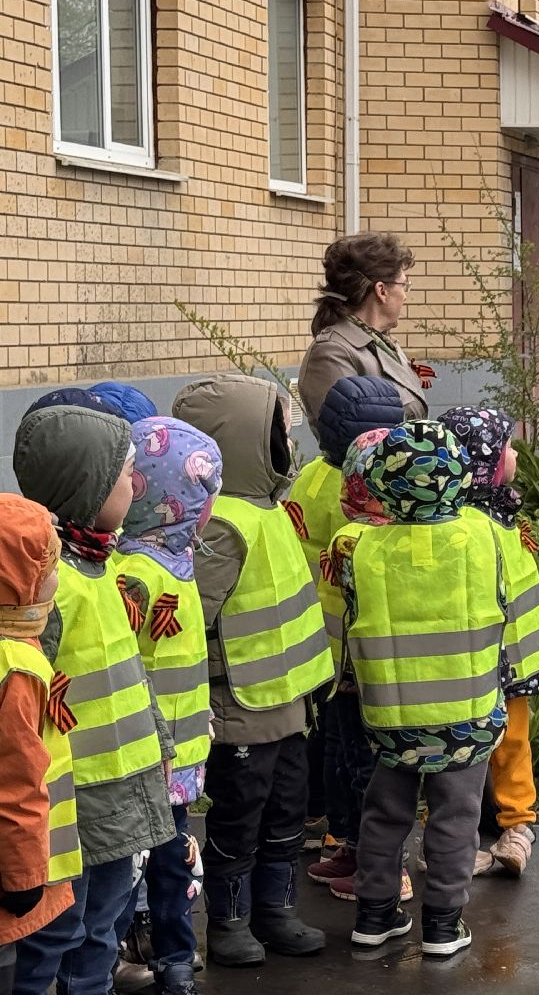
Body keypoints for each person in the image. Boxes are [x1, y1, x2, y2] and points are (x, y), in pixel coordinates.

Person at [335, 421, 530, 957]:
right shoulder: (484, 534)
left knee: (383, 813)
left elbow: (347, 623)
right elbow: (516, 606)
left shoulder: (363, 547)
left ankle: (375, 915)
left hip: (391, 717)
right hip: (466, 718)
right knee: (455, 818)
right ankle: (443, 924)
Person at [11, 406, 174, 995]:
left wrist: (159, 743)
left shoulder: (106, 566)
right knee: (58, 928)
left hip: (120, 788)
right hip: (71, 800)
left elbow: (131, 672)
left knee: (102, 922)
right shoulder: (52, 588)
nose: (138, 485)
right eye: (126, 472)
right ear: (87, 484)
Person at [171, 376, 332, 965]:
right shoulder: (221, 524)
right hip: (240, 710)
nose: (288, 443)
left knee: (286, 812)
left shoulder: (266, 510)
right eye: (278, 432)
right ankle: (232, 921)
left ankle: (276, 910)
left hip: (286, 704)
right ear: (247, 442)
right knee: (240, 818)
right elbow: (194, 619)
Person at [112, 418, 223, 995]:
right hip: (147, 755)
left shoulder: (164, 565)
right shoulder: (136, 576)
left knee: (161, 859)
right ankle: (154, 955)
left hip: (167, 753)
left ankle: (168, 957)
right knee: (147, 860)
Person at [290, 378, 405, 900]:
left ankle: (382, 866)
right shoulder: (387, 492)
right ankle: (354, 845)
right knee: (345, 755)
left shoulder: (317, 482)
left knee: (361, 760)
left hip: (352, 656)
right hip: (340, 652)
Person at [438, 407, 539, 879]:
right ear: (481, 460)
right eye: (505, 447)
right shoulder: (464, 523)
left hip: (511, 656)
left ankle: (516, 824)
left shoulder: (502, 509)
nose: (514, 454)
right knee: (471, 747)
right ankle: (466, 835)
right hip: (479, 658)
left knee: (512, 739)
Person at [0, 497, 80, 995]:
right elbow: (17, 782)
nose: (57, 577)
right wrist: (25, 876)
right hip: (19, 871)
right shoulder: (17, 668)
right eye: (49, 565)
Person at [298, 232, 429, 436]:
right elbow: (352, 440)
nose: (405, 296)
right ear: (381, 290)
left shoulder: (382, 342)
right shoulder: (331, 353)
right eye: (404, 285)